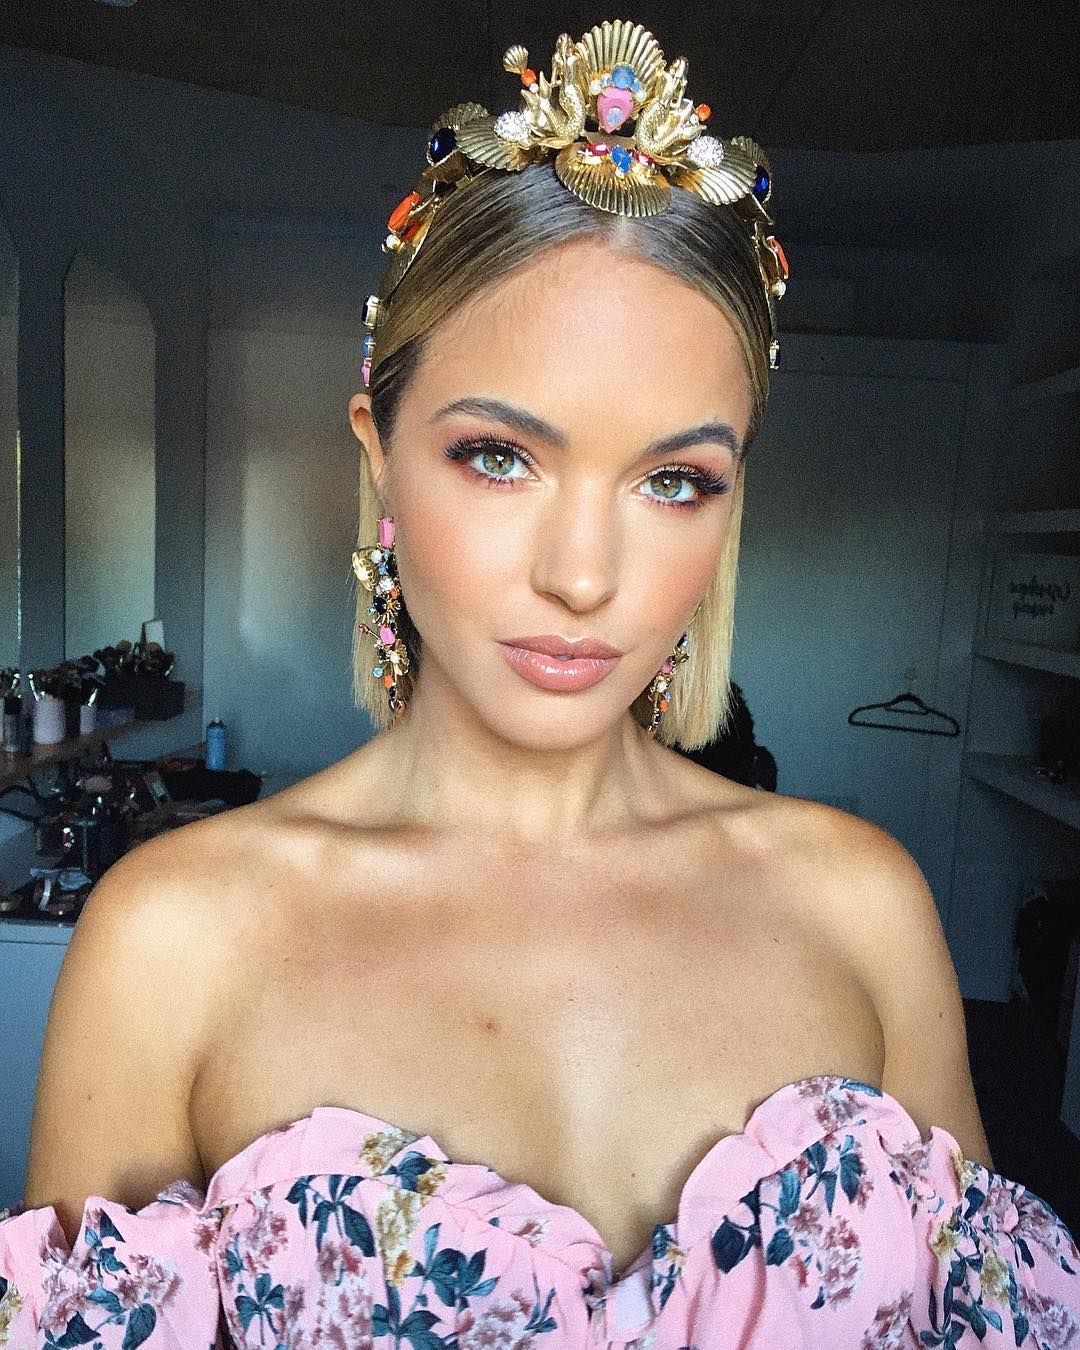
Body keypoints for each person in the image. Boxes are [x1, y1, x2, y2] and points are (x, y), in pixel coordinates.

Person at [2, 19, 1077, 1347]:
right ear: (380, 455)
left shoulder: (865, 908)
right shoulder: (173, 940)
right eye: (500, 456)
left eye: (675, 480)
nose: (584, 575)